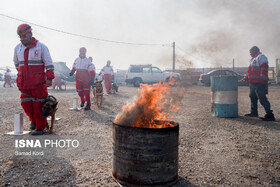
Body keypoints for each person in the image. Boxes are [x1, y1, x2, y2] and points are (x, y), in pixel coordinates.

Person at [13, 24, 55, 135]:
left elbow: (49, 64)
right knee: (25, 103)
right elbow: (16, 63)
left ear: (30, 34)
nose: (22, 38)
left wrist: (50, 78)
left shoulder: (41, 47)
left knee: (38, 105)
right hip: (24, 83)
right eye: (20, 37)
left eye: (24, 36)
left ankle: (40, 127)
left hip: (38, 83)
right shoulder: (17, 48)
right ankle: (33, 121)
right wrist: (22, 74)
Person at [242, 46, 275, 121]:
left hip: (259, 82)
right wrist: (246, 77)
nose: (250, 53)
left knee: (262, 98)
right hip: (252, 82)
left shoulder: (261, 57)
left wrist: (263, 75)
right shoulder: (252, 60)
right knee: (252, 97)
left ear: (255, 51)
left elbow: (264, 66)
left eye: (251, 52)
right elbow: (251, 71)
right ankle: (254, 112)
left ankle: (269, 114)